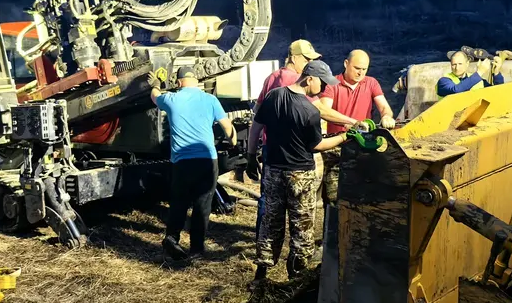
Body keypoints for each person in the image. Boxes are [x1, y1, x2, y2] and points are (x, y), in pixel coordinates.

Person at [246, 40, 361, 233]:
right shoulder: (296, 80)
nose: (309, 64)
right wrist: (351, 122)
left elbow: (258, 113)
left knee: (268, 202)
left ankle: (263, 241)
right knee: (299, 210)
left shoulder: (272, 77)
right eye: (307, 59)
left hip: (270, 149)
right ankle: (296, 249)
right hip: (294, 157)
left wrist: (250, 154)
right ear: (294, 57)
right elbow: (320, 110)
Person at [251, 60, 349, 284]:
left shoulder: (274, 96)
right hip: (300, 175)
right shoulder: (309, 110)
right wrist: (344, 137)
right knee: (302, 226)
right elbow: (316, 146)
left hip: (273, 171)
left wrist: (249, 156)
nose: (324, 89)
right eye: (322, 83)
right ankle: (296, 276)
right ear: (310, 78)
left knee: (270, 222)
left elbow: (256, 125)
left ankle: (261, 274)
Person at [149, 65, 237, 261]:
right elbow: (226, 125)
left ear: (179, 83)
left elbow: (154, 96)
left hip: (182, 162)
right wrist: (233, 143)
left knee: (179, 202)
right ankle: (197, 250)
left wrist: (156, 83)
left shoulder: (172, 99)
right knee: (202, 205)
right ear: (196, 81)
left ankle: (172, 239)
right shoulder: (210, 99)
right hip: (207, 160)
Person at [318, 49, 396, 208]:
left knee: (363, 192)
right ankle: (333, 228)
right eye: (357, 68)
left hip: (363, 145)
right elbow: (324, 111)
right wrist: (351, 123)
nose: (360, 73)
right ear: (346, 64)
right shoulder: (332, 84)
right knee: (335, 197)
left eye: (364, 69)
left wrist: (387, 116)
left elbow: (383, 106)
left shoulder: (371, 83)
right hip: (337, 146)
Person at [436, 50, 504, 98]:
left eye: (460, 64)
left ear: (467, 64)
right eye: (454, 64)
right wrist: (480, 72)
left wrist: (496, 73)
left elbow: (497, 92)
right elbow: (455, 90)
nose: (457, 68)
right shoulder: (443, 81)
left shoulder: (478, 80)